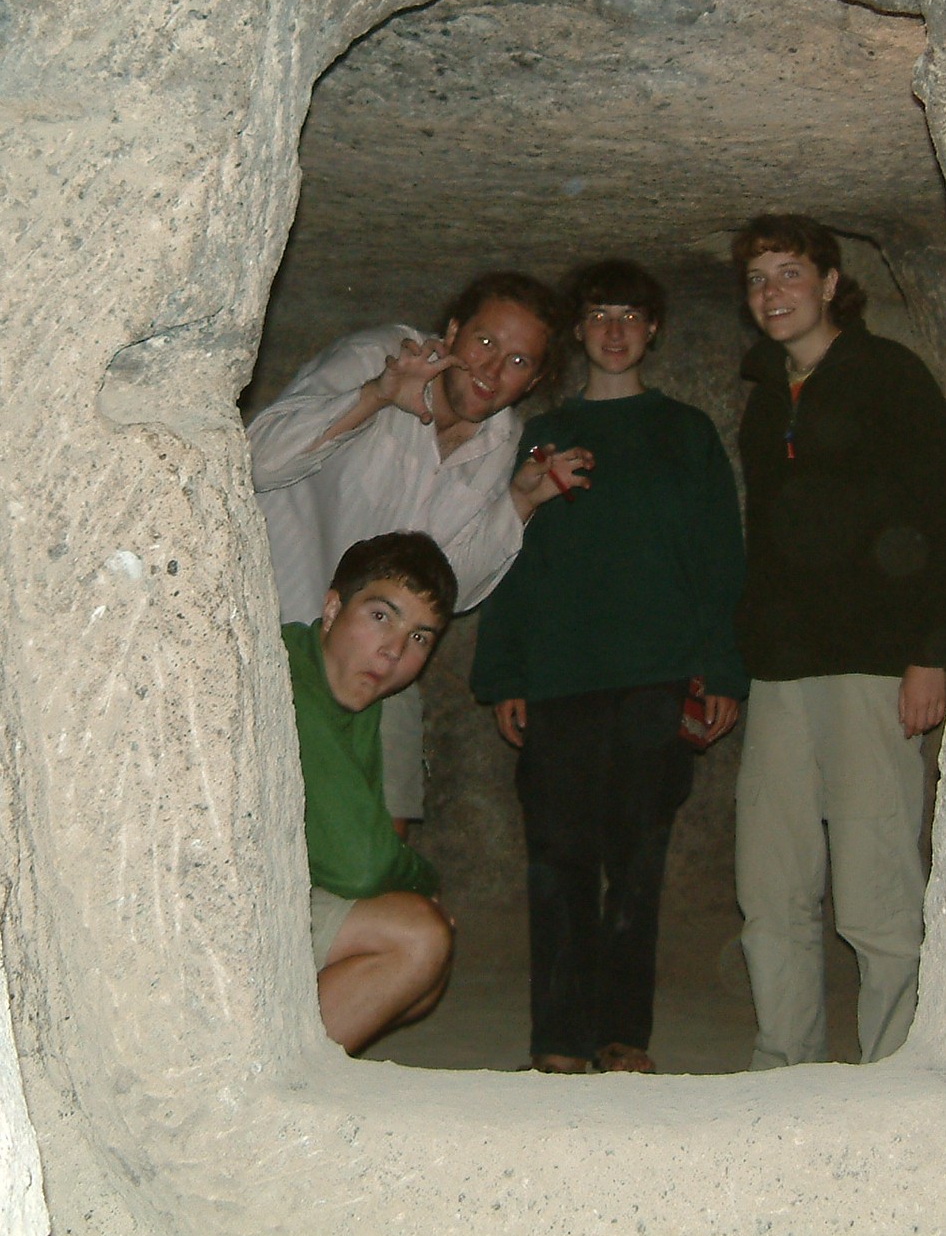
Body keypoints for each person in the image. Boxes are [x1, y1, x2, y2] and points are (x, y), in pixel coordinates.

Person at [472, 260, 747, 1074]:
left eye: (631, 315)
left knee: (638, 861)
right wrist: (505, 672)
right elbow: (511, 553)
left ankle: (624, 1035)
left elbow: (719, 559)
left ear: (653, 329)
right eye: (599, 315)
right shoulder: (542, 434)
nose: (615, 331)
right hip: (560, 675)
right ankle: (558, 1040)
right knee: (557, 860)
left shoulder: (686, 432)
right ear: (577, 330)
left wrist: (722, 669)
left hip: (656, 673)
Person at [730, 214, 946, 1069]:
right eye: (757, 279)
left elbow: (942, 515)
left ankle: (889, 1068)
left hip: (872, 665)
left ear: (830, 284)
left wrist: (929, 652)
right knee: (772, 883)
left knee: (875, 884)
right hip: (780, 668)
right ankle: (781, 1062)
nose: (773, 293)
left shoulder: (887, 376)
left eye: (790, 273)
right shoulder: (767, 394)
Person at [249, 272, 592, 829]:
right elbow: (256, 462)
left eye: (516, 361)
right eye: (484, 342)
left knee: (387, 827)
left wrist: (520, 502)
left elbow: (446, 590)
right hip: (277, 635)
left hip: (379, 655)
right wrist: (374, 396)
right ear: (452, 332)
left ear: (533, 381)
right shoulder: (380, 357)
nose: (490, 370)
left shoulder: (499, 438)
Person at [286, 531, 459, 1054]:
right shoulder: (285, 673)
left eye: (420, 637)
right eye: (381, 616)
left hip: (295, 893)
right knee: (419, 937)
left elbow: (381, 840)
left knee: (422, 976)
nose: (393, 651)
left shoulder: (389, 700)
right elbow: (362, 865)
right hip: (208, 912)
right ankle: (267, 1077)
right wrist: (424, 885)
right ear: (332, 609)